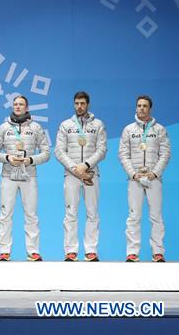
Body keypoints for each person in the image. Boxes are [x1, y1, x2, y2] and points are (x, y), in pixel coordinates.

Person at [0, 95, 50, 261]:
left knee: (31, 214)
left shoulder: (36, 128)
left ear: (27, 108)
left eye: (21, 104)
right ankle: (4, 251)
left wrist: (31, 160)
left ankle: (33, 251)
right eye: (15, 104)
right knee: (5, 214)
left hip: (28, 175)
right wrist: (7, 158)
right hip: (8, 176)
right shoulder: (4, 127)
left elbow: (46, 153)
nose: (18, 107)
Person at [54, 91, 106, 262]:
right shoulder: (65, 125)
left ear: (88, 104)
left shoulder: (98, 125)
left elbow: (102, 150)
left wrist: (86, 165)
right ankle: (71, 251)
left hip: (91, 174)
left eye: (82, 103)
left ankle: (91, 250)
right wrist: (75, 168)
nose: (79, 106)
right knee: (70, 213)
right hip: (71, 175)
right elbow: (59, 151)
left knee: (92, 212)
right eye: (77, 103)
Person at [119, 95, 171, 262]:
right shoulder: (128, 130)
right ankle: (132, 253)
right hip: (134, 179)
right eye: (139, 105)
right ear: (136, 108)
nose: (141, 108)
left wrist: (154, 173)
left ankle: (158, 252)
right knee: (134, 215)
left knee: (156, 216)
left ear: (150, 109)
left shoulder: (160, 130)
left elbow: (165, 154)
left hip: (154, 179)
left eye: (145, 106)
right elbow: (123, 154)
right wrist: (133, 174)